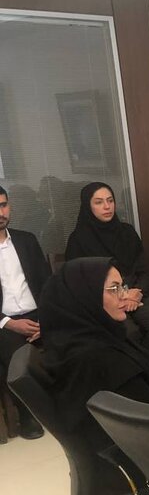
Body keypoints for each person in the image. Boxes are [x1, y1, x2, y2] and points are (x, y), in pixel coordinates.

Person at [39, 257, 149, 433]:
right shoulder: (98, 358)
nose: (124, 295)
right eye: (114, 289)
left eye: (122, 287)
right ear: (85, 296)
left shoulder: (78, 338)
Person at [64, 182, 149, 357]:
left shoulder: (127, 232)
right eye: (99, 202)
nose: (107, 206)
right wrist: (114, 296)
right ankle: (140, 369)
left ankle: (144, 367)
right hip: (103, 301)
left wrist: (137, 292)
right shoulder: (78, 240)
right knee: (129, 333)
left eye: (110, 200)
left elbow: (145, 270)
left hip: (134, 293)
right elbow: (77, 284)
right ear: (88, 206)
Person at [0, 185, 52, 439]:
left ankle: (66, 405)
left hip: (38, 315)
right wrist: (9, 323)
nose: (0, 213)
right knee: (15, 357)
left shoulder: (26, 240)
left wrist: (45, 320)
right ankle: (27, 415)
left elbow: (47, 282)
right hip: (5, 323)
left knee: (71, 341)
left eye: (3, 205)